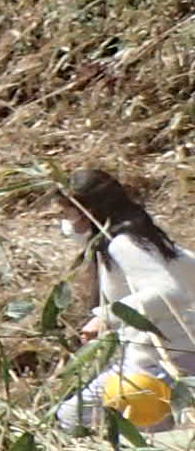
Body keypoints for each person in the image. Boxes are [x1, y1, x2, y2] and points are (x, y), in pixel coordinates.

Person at [53, 168, 195, 429]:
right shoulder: (138, 236)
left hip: (165, 359)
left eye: (66, 212)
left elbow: (168, 291)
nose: (63, 219)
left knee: (75, 418)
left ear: (88, 210)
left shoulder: (123, 244)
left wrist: (104, 318)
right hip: (159, 355)